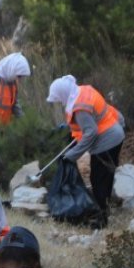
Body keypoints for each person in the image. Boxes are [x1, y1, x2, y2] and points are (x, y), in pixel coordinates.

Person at [47, 75, 126, 228]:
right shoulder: (82, 91)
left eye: (58, 98)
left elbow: (91, 132)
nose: (59, 102)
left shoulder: (79, 107)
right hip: (114, 133)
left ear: (63, 93)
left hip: (107, 142)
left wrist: (72, 155)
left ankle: (102, 220)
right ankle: (105, 209)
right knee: (104, 177)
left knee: (98, 180)